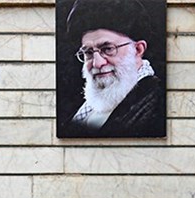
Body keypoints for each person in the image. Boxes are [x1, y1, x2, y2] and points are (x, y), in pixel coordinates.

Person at [61, 0, 166, 138]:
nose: (97, 63)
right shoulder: (86, 103)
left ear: (138, 50)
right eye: (89, 52)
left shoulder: (158, 104)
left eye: (108, 49)